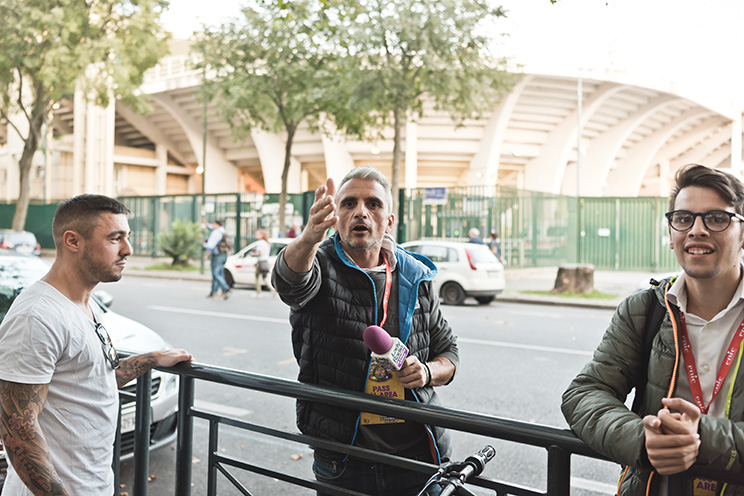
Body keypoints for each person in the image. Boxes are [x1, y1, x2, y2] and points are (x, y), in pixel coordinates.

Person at [271, 165, 459, 496]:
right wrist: (310, 237)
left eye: (373, 204)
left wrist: (427, 372)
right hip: (345, 459)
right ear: (336, 216)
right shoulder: (319, 263)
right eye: (348, 204)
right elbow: (289, 282)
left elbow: (449, 353)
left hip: (419, 458)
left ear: (389, 220)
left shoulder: (415, 275)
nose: (361, 212)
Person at [562, 163, 744, 495]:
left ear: (742, 233)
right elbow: (584, 394)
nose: (697, 230)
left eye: (717, 218)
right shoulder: (645, 309)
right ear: (672, 234)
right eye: (683, 218)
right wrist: (641, 439)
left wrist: (702, 437)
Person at [0, 194, 193, 496]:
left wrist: (151, 359)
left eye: (126, 237)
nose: (127, 250)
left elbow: (94, 378)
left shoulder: (82, 304)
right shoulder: (36, 315)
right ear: (73, 241)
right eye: (115, 238)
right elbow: (18, 429)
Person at [203, 219, 231, 299]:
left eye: (213, 224)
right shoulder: (222, 231)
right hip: (223, 255)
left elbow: (210, 246)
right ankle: (214, 292)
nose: (212, 225)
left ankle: (225, 288)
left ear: (217, 224)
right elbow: (211, 227)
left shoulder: (216, 233)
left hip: (217, 256)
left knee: (216, 274)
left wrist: (204, 245)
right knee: (220, 273)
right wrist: (207, 225)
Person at [249, 229, 271, 298]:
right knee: (264, 278)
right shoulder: (266, 242)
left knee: (257, 277)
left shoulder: (260, 243)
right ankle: (273, 289)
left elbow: (260, 253)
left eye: (258, 234)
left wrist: (253, 254)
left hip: (260, 262)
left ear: (262, 235)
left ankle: (259, 293)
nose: (256, 235)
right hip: (265, 261)